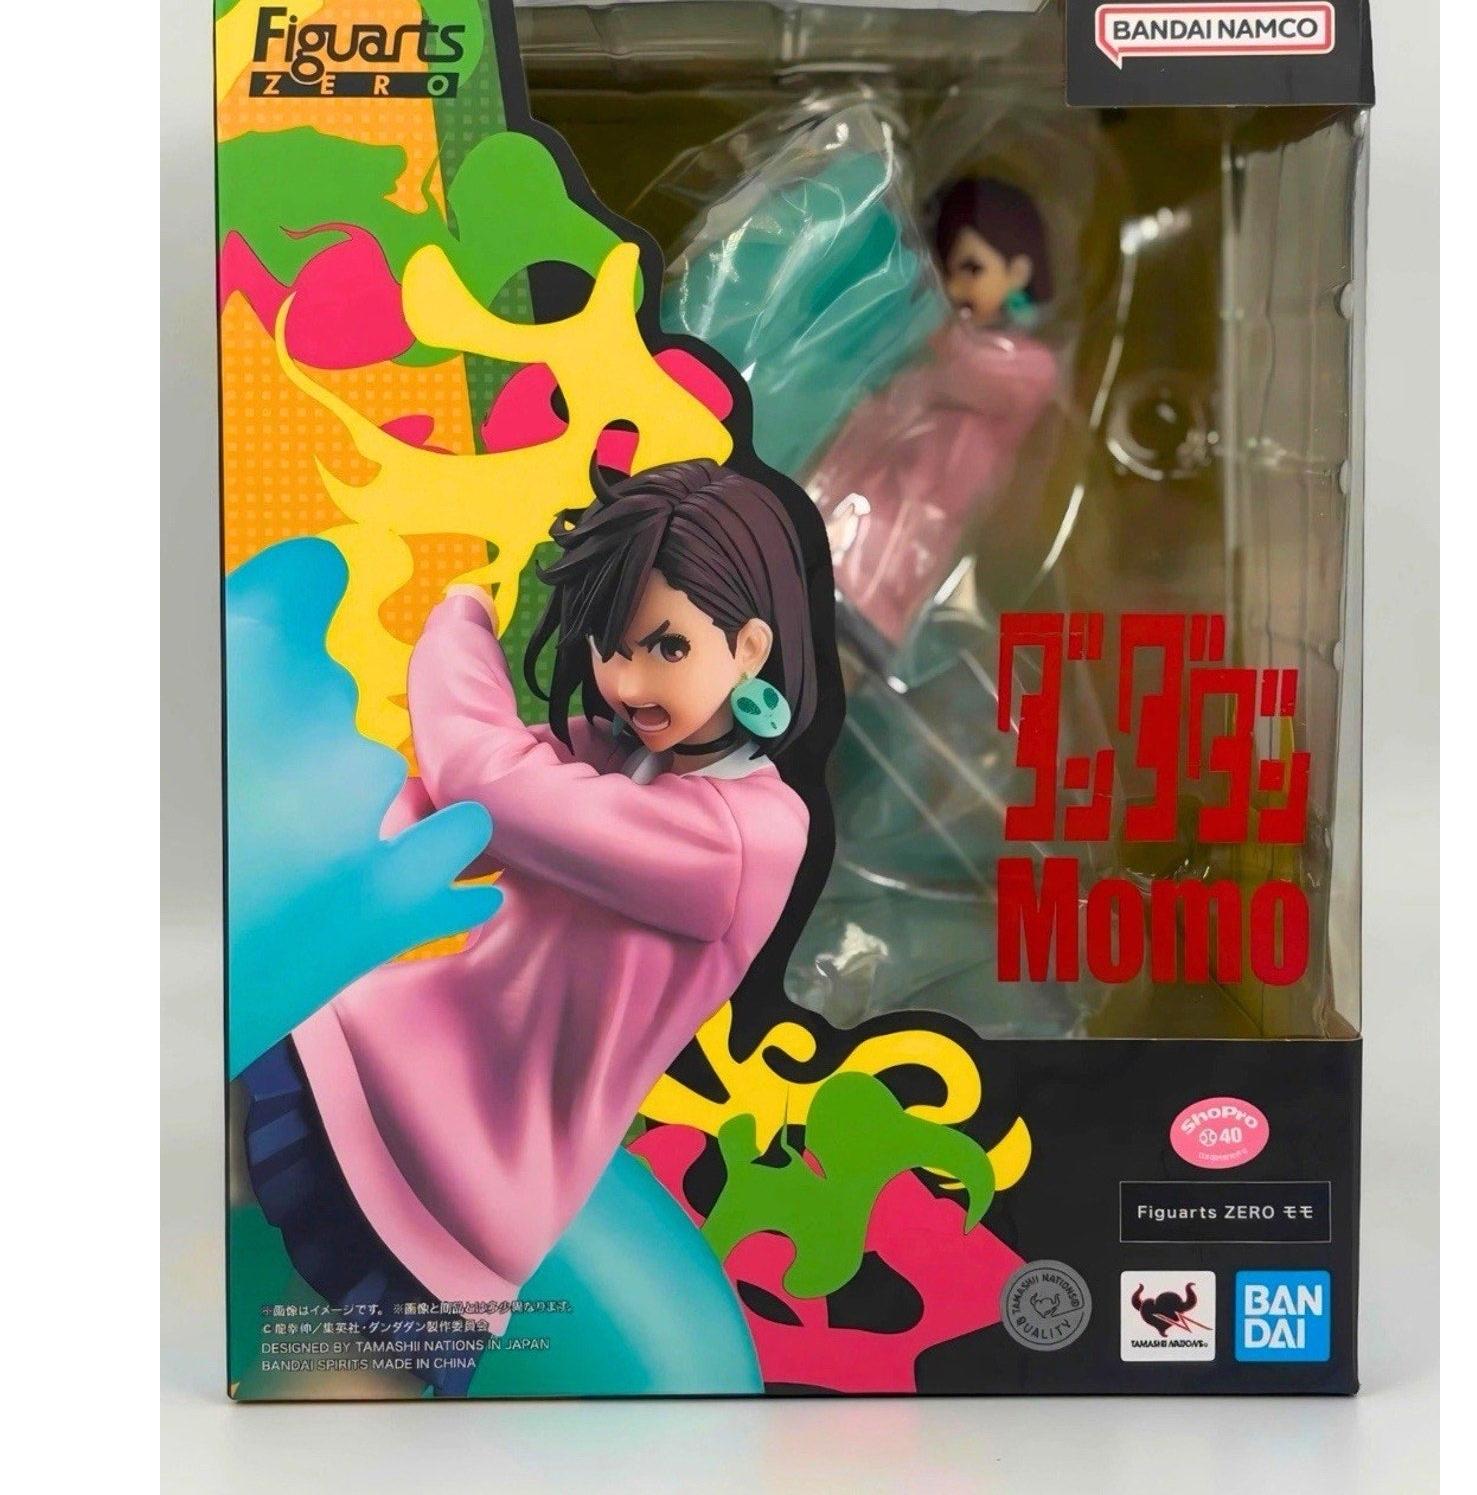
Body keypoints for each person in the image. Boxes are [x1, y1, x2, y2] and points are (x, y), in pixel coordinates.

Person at [241, 458, 820, 1395]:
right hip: (367, 1056)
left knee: (323, 1406)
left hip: (466, 1175)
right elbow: (444, 820)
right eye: (609, 647)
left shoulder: (743, 839)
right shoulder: (617, 757)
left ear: (749, 647)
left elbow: (484, 784)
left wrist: (459, 619)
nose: (626, 681)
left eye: (666, 647)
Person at [805, 176, 1060, 660]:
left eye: (972, 268)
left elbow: (978, 374)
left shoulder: (1026, 367)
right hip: (835, 536)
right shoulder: (923, 366)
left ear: (1018, 272)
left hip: (889, 573)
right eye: (946, 270)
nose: (954, 287)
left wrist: (926, 321)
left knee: (832, 662)